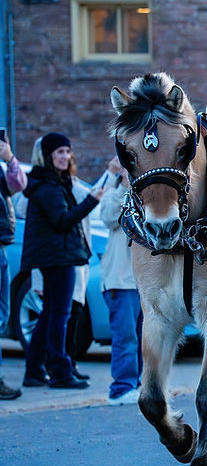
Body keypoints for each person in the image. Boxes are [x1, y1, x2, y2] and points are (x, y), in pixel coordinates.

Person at [21, 133, 104, 389]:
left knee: (48, 315)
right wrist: (92, 202)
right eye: (59, 153)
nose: (65, 157)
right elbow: (62, 221)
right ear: (48, 156)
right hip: (57, 258)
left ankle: (34, 371)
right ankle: (60, 372)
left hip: (56, 256)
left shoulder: (55, 183)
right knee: (59, 315)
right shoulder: (47, 186)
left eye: (67, 152)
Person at [100, 156, 142, 404]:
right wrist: (123, 186)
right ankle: (121, 388)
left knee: (143, 339)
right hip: (120, 281)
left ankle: (137, 385)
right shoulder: (114, 192)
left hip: (141, 281)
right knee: (126, 337)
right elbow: (107, 217)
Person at [0, 134, 27, 400]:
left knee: (2, 315)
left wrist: (9, 159)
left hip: (2, 246)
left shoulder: (2, 165)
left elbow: (19, 184)